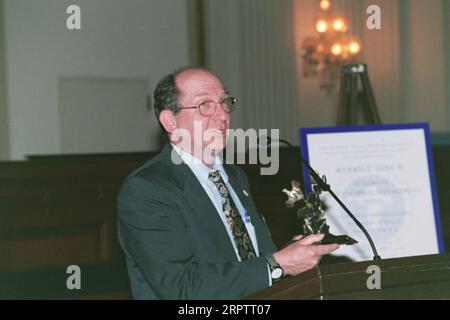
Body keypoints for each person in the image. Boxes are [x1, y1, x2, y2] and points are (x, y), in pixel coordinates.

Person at [117, 67, 339, 299]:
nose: (223, 115)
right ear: (170, 121)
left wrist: (290, 256)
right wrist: (276, 265)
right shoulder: (148, 189)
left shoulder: (234, 176)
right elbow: (180, 287)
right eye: (205, 105)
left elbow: (247, 262)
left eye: (224, 102)